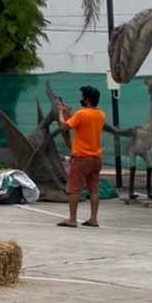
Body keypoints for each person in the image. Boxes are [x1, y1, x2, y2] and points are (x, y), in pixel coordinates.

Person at [56, 85, 106, 228]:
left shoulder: (82, 114)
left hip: (81, 157)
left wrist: (60, 112)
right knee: (94, 189)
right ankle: (93, 218)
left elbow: (63, 126)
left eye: (82, 96)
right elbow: (79, 124)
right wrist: (68, 113)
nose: (81, 99)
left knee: (74, 188)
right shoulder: (101, 115)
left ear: (88, 99)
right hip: (96, 158)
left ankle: (72, 219)